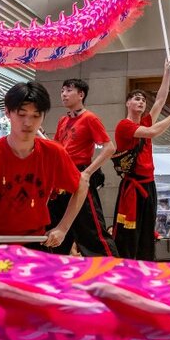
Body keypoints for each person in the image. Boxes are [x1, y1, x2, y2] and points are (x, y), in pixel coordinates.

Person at [0, 82, 87, 249]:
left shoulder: (54, 153)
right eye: (21, 114)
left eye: (35, 116)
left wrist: (63, 228)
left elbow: (82, 184)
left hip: (36, 242)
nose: (28, 122)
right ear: (7, 112)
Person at [113, 59, 170, 260]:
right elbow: (152, 132)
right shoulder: (124, 126)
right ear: (128, 103)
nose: (141, 102)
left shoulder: (145, 119)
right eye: (136, 99)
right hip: (132, 188)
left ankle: (146, 265)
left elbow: (161, 100)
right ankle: (126, 266)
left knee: (146, 231)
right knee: (129, 231)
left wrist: (166, 72)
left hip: (149, 184)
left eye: (143, 100)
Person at [50, 78, 119, 257]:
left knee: (91, 227)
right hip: (60, 178)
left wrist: (87, 172)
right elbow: (58, 148)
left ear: (81, 95)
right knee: (55, 228)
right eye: (62, 90)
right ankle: (54, 269)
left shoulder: (89, 118)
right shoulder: (62, 120)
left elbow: (110, 147)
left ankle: (111, 269)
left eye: (68, 90)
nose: (63, 94)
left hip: (78, 176)